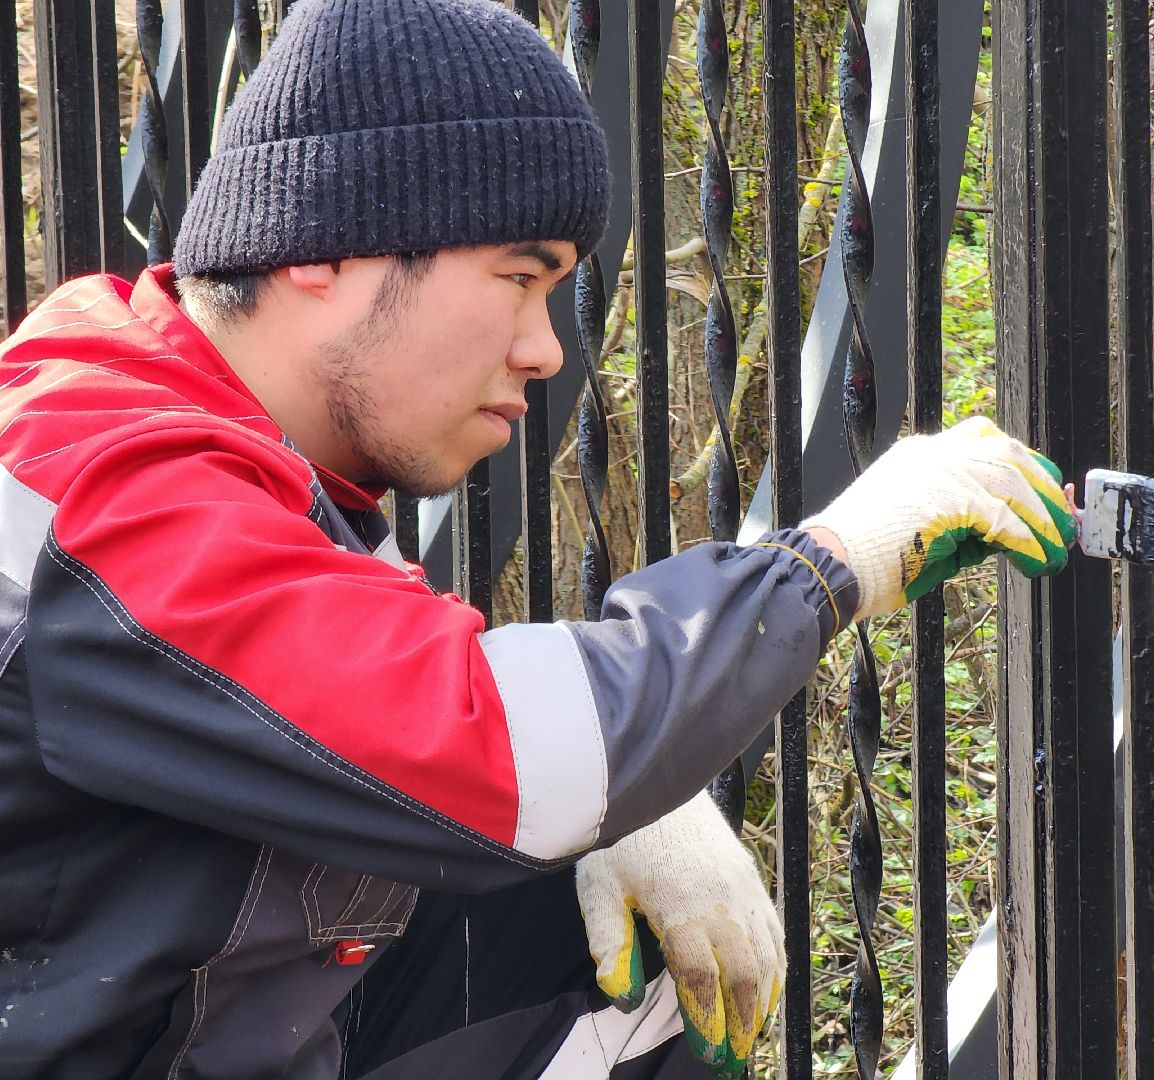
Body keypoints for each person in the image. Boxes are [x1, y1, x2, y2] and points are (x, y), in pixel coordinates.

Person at [0, 1, 1076, 1077]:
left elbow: (380, 696)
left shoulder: (221, 449)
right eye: (520, 280)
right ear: (322, 251)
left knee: (593, 932)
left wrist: (620, 816)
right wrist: (829, 562)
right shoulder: (105, 483)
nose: (545, 350)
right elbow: (472, 741)